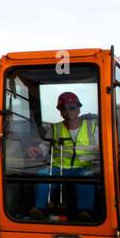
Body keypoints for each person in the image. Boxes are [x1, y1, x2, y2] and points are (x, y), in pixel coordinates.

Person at [30, 91, 100, 221]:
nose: (68, 112)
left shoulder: (92, 127)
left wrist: (97, 149)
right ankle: (39, 209)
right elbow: (45, 145)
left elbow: (101, 147)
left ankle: (85, 211)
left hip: (82, 167)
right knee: (43, 174)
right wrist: (38, 149)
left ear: (79, 109)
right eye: (63, 109)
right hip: (59, 167)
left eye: (72, 108)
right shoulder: (55, 128)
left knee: (87, 177)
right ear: (60, 112)